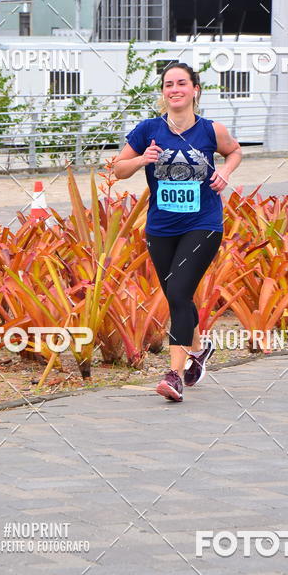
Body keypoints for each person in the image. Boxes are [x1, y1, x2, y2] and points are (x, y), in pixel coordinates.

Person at [113, 62, 242, 402]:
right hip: (161, 227)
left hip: (203, 224)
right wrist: (142, 159)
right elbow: (116, 170)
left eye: (181, 83)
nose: (175, 89)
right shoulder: (147, 129)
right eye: (169, 84)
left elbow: (235, 151)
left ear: (195, 90)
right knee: (176, 296)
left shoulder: (211, 130)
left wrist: (226, 171)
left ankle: (174, 374)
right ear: (163, 93)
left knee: (180, 292)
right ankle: (198, 350)